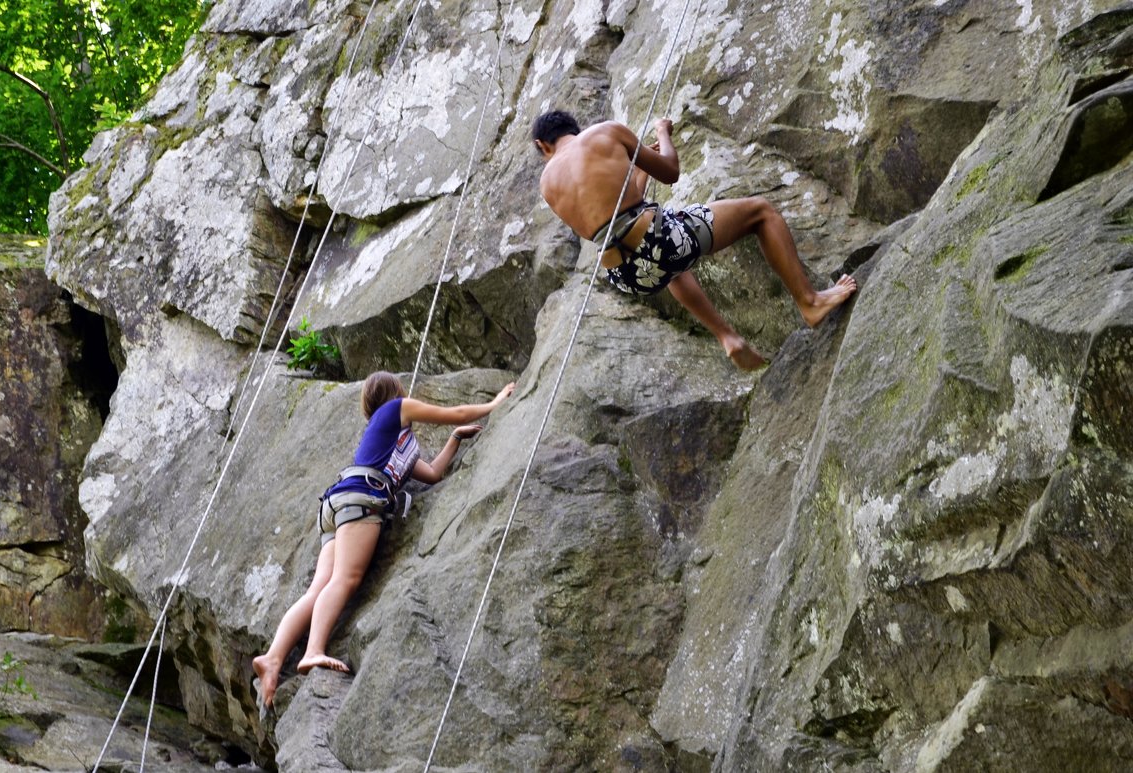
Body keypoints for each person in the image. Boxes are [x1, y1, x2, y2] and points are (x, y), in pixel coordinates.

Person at [252, 372, 515, 708]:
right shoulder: (395, 409)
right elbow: (456, 411)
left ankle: (273, 659)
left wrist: (455, 440)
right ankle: (313, 651)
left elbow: (432, 473)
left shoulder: (389, 443)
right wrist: (494, 403)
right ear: (396, 393)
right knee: (346, 579)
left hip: (337, 503)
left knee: (318, 588)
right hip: (362, 499)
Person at [532, 110, 858, 369]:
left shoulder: (548, 184)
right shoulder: (604, 132)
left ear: (542, 146)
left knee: (670, 265)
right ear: (573, 129)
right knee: (762, 212)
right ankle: (810, 302)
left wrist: (638, 176)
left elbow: (610, 219)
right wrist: (663, 134)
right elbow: (671, 171)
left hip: (626, 275)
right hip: (660, 242)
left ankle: (727, 336)